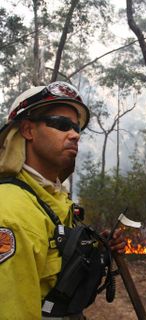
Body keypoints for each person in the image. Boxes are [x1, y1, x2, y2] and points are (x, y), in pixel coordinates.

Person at [0, 81, 126, 319]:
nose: (74, 135)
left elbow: (55, 259)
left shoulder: (52, 198)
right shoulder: (10, 212)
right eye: (61, 124)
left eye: (77, 128)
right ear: (28, 130)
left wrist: (99, 249)